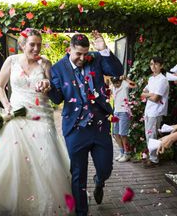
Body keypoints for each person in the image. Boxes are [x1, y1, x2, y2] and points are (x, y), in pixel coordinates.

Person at [0, 28, 72, 215]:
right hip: (16, 115)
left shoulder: (46, 63)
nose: (36, 48)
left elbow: (55, 90)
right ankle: (13, 204)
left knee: (44, 162)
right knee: (12, 161)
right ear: (22, 45)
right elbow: (0, 86)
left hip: (41, 118)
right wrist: (6, 104)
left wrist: (47, 85)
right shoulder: (11, 61)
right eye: (32, 44)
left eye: (39, 44)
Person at [44, 31, 123, 215]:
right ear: (69, 49)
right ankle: (81, 212)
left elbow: (117, 71)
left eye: (85, 53)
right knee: (78, 174)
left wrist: (103, 50)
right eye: (78, 53)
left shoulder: (96, 58)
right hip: (75, 128)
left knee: (105, 168)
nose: (82, 58)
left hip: (99, 125)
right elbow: (57, 99)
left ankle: (99, 181)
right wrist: (48, 89)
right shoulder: (57, 69)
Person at [141, 57, 169, 168]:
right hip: (148, 110)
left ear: (161, 66)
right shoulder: (151, 79)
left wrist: (150, 95)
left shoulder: (163, 80)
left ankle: (154, 160)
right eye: (151, 64)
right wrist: (150, 94)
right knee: (149, 135)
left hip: (156, 111)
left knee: (152, 136)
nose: (153, 66)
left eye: (156, 64)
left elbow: (156, 98)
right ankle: (152, 157)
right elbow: (143, 93)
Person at [111, 75, 136, 162]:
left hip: (124, 112)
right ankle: (121, 152)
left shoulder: (124, 84)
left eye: (118, 82)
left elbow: (134, 85)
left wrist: (126, 79)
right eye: (114, 83)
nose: (116, 84)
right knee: (115, 133)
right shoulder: (112, 87)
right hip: (116, 112)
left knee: (123, 134)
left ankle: (127, 153)